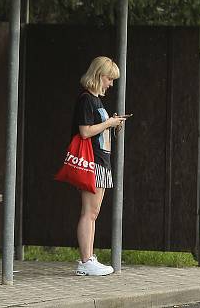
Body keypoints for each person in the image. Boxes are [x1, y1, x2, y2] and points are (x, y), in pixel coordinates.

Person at [72, 56, 128, 276]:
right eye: (109, 78)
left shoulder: (96, 100)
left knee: (93, 213)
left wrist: (111, 124)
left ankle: (89, 257)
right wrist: (108, 123)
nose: (110, 84)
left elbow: (95, 129)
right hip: (92, 161)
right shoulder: (86, 99)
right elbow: (84, 131)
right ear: (98, 75)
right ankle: (85, 261)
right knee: (89, 212)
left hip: (101, 161)